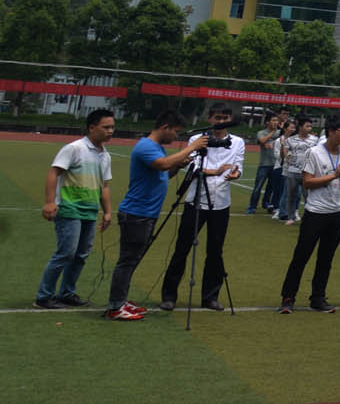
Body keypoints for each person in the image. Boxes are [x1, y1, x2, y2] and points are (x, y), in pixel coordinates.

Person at [105, 109, 204, 320]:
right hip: (137, 213)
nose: (176, 136)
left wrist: (178, 164)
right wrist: (192, 148)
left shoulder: (155, 147)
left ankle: (121, 300)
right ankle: (115, 306)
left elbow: (164, 173)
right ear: (165, 127)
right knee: (127, 260)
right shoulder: (146, 146)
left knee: (132, 260)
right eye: (175, 131)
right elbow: (162, 164)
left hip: (145, 213)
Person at [159, 103, 245, 312]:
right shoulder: (196, 140)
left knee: (215, 251)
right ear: (210, 118)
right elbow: (192, 165)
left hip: (221, 202)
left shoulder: (237, 142)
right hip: (196, 200)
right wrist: (215, 172)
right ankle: (169, 295)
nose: (221, 122)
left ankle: (210, 296)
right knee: (182, 248)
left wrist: (236, 174)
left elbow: (238, 165)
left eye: (225, 118)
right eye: (217, 117)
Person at [36, 108, 117, 310]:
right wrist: (49, 202)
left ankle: (66, 293)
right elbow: (54, 172)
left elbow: (104, 185)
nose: (111, 131)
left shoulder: (105, 156)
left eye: (112, 127)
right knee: (66, 253)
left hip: (90, 211)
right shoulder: (74, 148)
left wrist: (107, 212)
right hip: (69, 208)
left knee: (81, 255)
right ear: (92, 127)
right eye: (106, 127)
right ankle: (44, 296)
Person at [279, 116, 340, 313]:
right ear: (330, 131)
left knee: (326, 258)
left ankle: (318, 298)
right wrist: (334, 174)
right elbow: (307, 182)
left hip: (338, 211)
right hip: (315, 212)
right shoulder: (314, 152)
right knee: (301, 256)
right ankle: (288, 297)